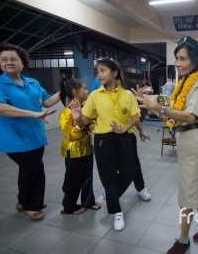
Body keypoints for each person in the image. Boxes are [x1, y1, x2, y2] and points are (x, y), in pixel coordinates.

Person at [132, 36, 198, 254]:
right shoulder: (181, 84)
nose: (178, 63)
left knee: (187, 194)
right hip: (184, 140)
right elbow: (172, 112)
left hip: (195, 141)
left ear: (195, 60)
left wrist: (160, 108)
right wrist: (148, 103)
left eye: (183, 59)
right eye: (176, 58)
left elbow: (189, 116)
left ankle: (183, 240)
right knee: (193, 189)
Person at [0, 43, 60, 220]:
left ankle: (23, 201)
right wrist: (33, 114)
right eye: (4, 60)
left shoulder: (32, 82)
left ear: (22, 62)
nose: (9, 62)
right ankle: (33, 205)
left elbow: (47, 102)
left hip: (35, 136)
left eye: (13, 59)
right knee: (35, 170)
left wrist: (65, 89)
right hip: (14, 138)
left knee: (27, 170)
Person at [70, 58, 139, 231]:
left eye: (103, 71)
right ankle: (116, 211)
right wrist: (79, 118)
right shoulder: (94, 95)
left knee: (129, 171)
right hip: (103, 140)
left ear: (114, 73)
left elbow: (135, 116)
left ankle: (110, 195)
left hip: (122, 137)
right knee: (108, 175)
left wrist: (125, 128)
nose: (99, 74)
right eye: (98, 71)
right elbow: (86, 120)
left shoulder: (127, 95)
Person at [90, 77, 152, 202]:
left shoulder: (126, 95)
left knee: (133, 165)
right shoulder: (98, 94)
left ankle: (140, 188)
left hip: (127, 137)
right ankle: (112, 194)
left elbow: (135, 117)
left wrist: (141, 131)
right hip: (108, 138)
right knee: (112, 169)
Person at [59, 76, 101, 214]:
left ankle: (88, 201)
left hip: (87, 148)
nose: (87, 90)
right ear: (75, 92)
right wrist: (80, 123)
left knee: (87, 177)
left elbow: (93, 121)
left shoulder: (85, 108)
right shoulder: (67, 112)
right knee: (73, 179)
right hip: (73, 151)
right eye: (84, 88)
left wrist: (91, 125)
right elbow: (71, 136)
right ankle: (69, 206)